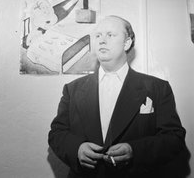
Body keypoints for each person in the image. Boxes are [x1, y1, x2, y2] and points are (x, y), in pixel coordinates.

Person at [48, 15, 186, 178]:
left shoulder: (158, 88)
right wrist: (76, 149)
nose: (101, 40)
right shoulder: (72, 89)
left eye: (110, 35)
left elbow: (173, 138)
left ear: (127, 43)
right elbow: (57, 133)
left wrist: (134, 151)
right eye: (98, 35)